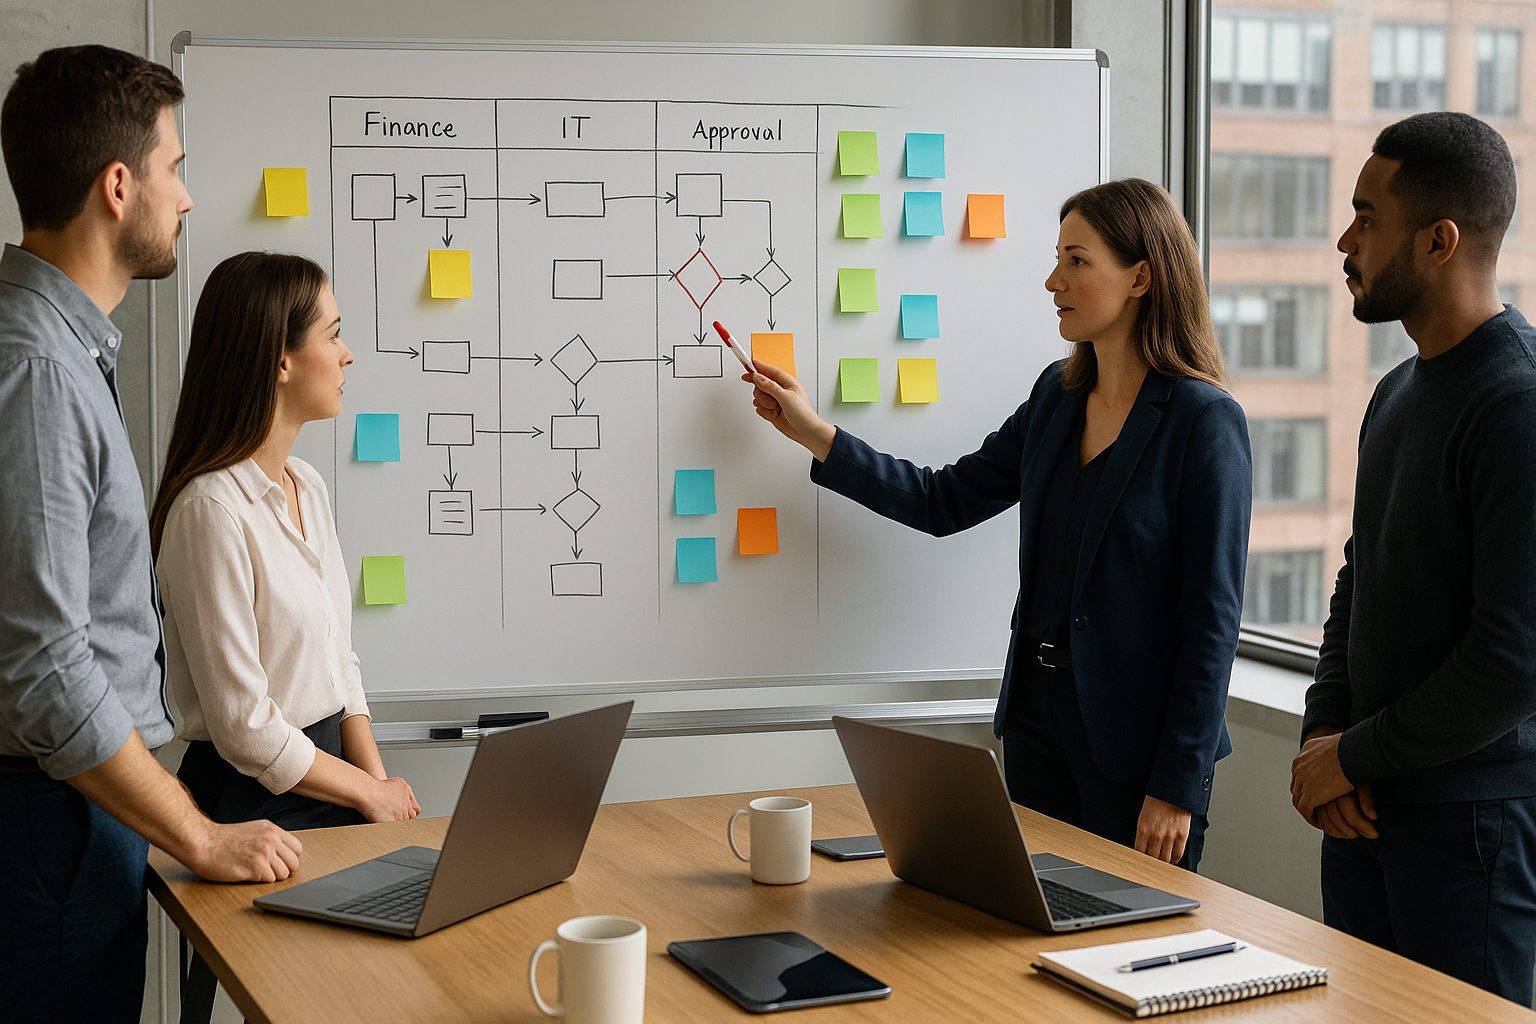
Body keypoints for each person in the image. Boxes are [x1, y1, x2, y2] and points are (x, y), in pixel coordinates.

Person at [747, 178, 1251, 870]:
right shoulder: (1056, 395)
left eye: (1077, 260)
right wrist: (816, 435)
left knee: (1123, 944)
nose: (1053, 280)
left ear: (1140, 277)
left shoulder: (1203, 422)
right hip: (1038, 728)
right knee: (1027, 935)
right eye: (1057, 258)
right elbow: (942, 500)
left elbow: (1211, 621)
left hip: (1136, 756)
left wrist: (1177, 785)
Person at [0, 46, 301, 1021]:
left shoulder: (64, 351)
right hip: (53, 824)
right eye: (176, 167)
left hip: (79, 811)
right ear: (117, 185)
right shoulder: (40, 371)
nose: (186, 197)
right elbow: (46, 667)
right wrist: (198, 834)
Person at [1290, 112, 1536, 1004]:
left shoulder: (1518, 403)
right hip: (1365, 808)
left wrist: (1355, 757)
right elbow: (1361, 578)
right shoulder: (1396, 390)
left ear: (1439, 241)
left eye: (1366, 215)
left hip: (1472, 828)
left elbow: (1513, 660)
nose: (1344, 240)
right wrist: (1325, 734)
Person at [150, 251, 420, 831]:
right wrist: (365, 793)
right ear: (281, 361)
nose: (348, 353)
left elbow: (339, 665)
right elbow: (244, 725)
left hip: (333, 783)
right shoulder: (210, 509)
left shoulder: (309, 486)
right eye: (334, 335)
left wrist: (380, 789)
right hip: (254, 805)